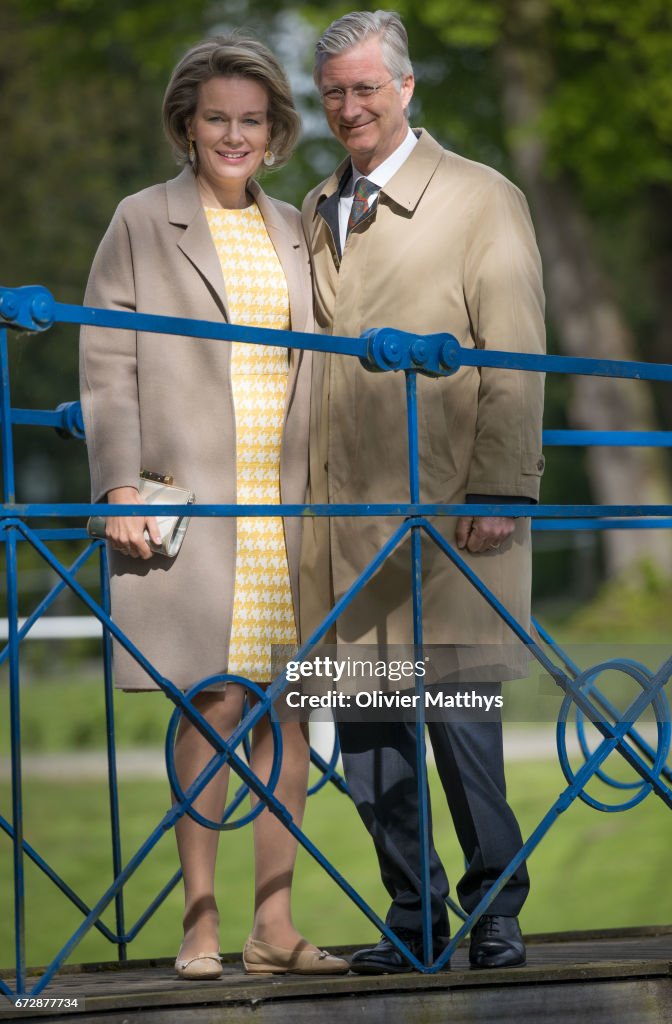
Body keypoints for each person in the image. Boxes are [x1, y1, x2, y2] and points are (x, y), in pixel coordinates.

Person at [79, 34, 348, 980]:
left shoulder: (295, 227)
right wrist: (116, 484)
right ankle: (198, 925)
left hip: (289, 507)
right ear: (186, 126)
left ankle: (274, 931)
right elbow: (108, 358)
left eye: (252, 120)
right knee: (211, 703)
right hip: (196, 505)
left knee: (283, 710)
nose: (234, 134)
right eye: (216, 119)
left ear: (274, 133)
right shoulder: (140, 221)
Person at [300, 11, 546, 973]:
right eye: (333, 93)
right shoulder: (320, 203)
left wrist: (502, 488)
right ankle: (415, 916)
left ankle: (495, 909)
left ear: (406, 89)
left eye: (366, 88)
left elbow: (516, 351)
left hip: (450, 510)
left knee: (459, 724)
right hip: (341, 515)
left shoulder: (483, 198)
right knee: (366, 742)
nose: (349, 107)